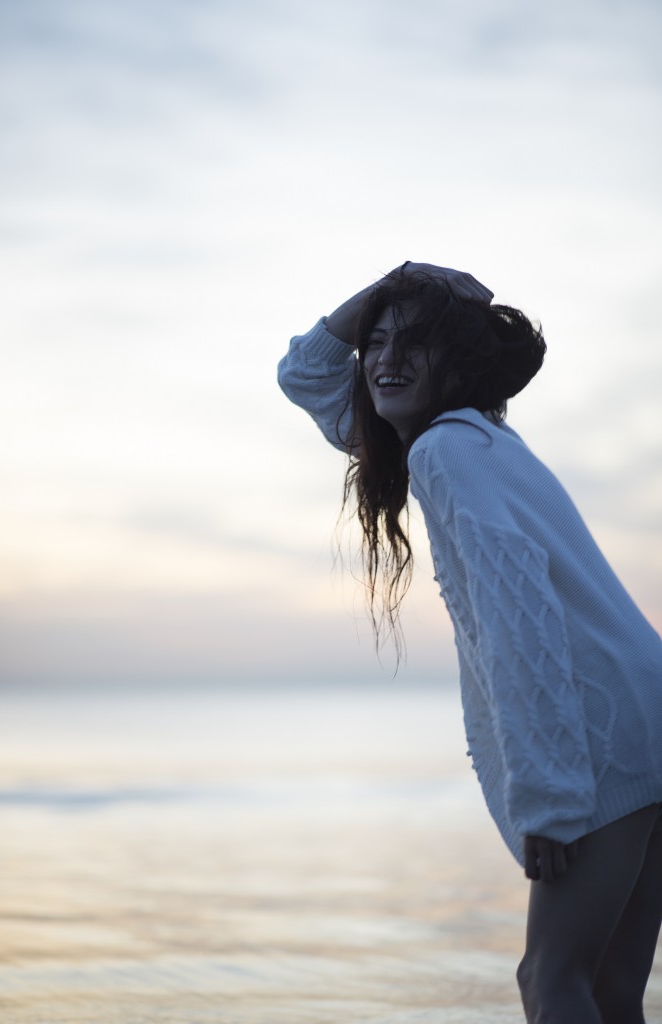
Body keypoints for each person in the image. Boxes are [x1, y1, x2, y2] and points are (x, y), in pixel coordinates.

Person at [277, 262, 662, 1024]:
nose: (386, 359)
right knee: (610, 990)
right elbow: (306, 374)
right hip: (644, 712)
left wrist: (548, 795)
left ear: (456, 363)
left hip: (602, 733)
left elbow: (519, 614)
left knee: (551, 983)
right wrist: (397, 281)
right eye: (375, 342)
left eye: (414, 343)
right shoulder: (481, 441)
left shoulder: (444, 453)